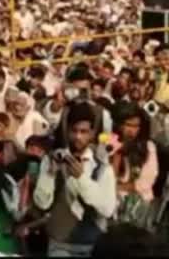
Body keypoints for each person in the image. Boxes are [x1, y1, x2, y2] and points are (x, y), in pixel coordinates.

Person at [34, 102, 117, 257]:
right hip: (59, 244)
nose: (78, 136)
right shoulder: (53, 160)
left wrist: (82, 179)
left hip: (92, 245)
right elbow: (42, 203)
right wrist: (50, 175)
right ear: (67, 131)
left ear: (92, 133)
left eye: (84, 131)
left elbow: (107, 209)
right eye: (74, 131)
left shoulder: (103, 168)